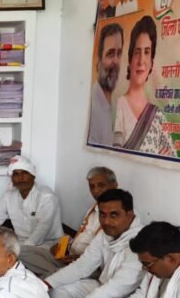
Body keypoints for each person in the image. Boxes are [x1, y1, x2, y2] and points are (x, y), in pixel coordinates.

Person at [44, 189, 144, 298]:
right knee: (59, 289)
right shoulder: (105, 234)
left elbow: (116, 289)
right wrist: (46, 284)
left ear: (130, 215)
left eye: (114, 215)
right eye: (102, 214)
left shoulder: (141, 243)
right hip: (102, 286)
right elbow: (81, 267)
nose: (106, 221)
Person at [20, 167, 118, 277]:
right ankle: (54, 273)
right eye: (92, 186)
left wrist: (80, 258)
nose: (95, 191)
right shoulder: (94, 208)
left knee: (50, 274)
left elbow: (105, 257)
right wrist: (64, 247)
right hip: (69, 257)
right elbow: (82, 236)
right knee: (20, 251)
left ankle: (54, 274)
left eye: (101, 185)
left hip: (88, 265)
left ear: (114, 185)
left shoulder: (118, 217)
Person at [114, 15, 175, 156]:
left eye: (147, 52)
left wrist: (164, 159)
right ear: (130, 60)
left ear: (151, 63)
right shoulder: (120, 105)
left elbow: (173, 159)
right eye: (137, 52)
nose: (141, 60)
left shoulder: (158, 116)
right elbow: (116, 155)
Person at [0, 155, 64, 247]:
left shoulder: (46, 196)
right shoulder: (9, 195)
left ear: (33, 175)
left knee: (5, 254)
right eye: (16, 174)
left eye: (25, 173)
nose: (21, 178)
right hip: (20, 243)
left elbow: (43, 227)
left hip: (49, 243)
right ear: (12, 179)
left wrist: (24, 249)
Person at [88, 23, 124, 146]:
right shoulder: (92, 108)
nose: (116, 61)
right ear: (98, 63)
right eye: (110, 54)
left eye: (119, 53)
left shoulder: (112, 105)